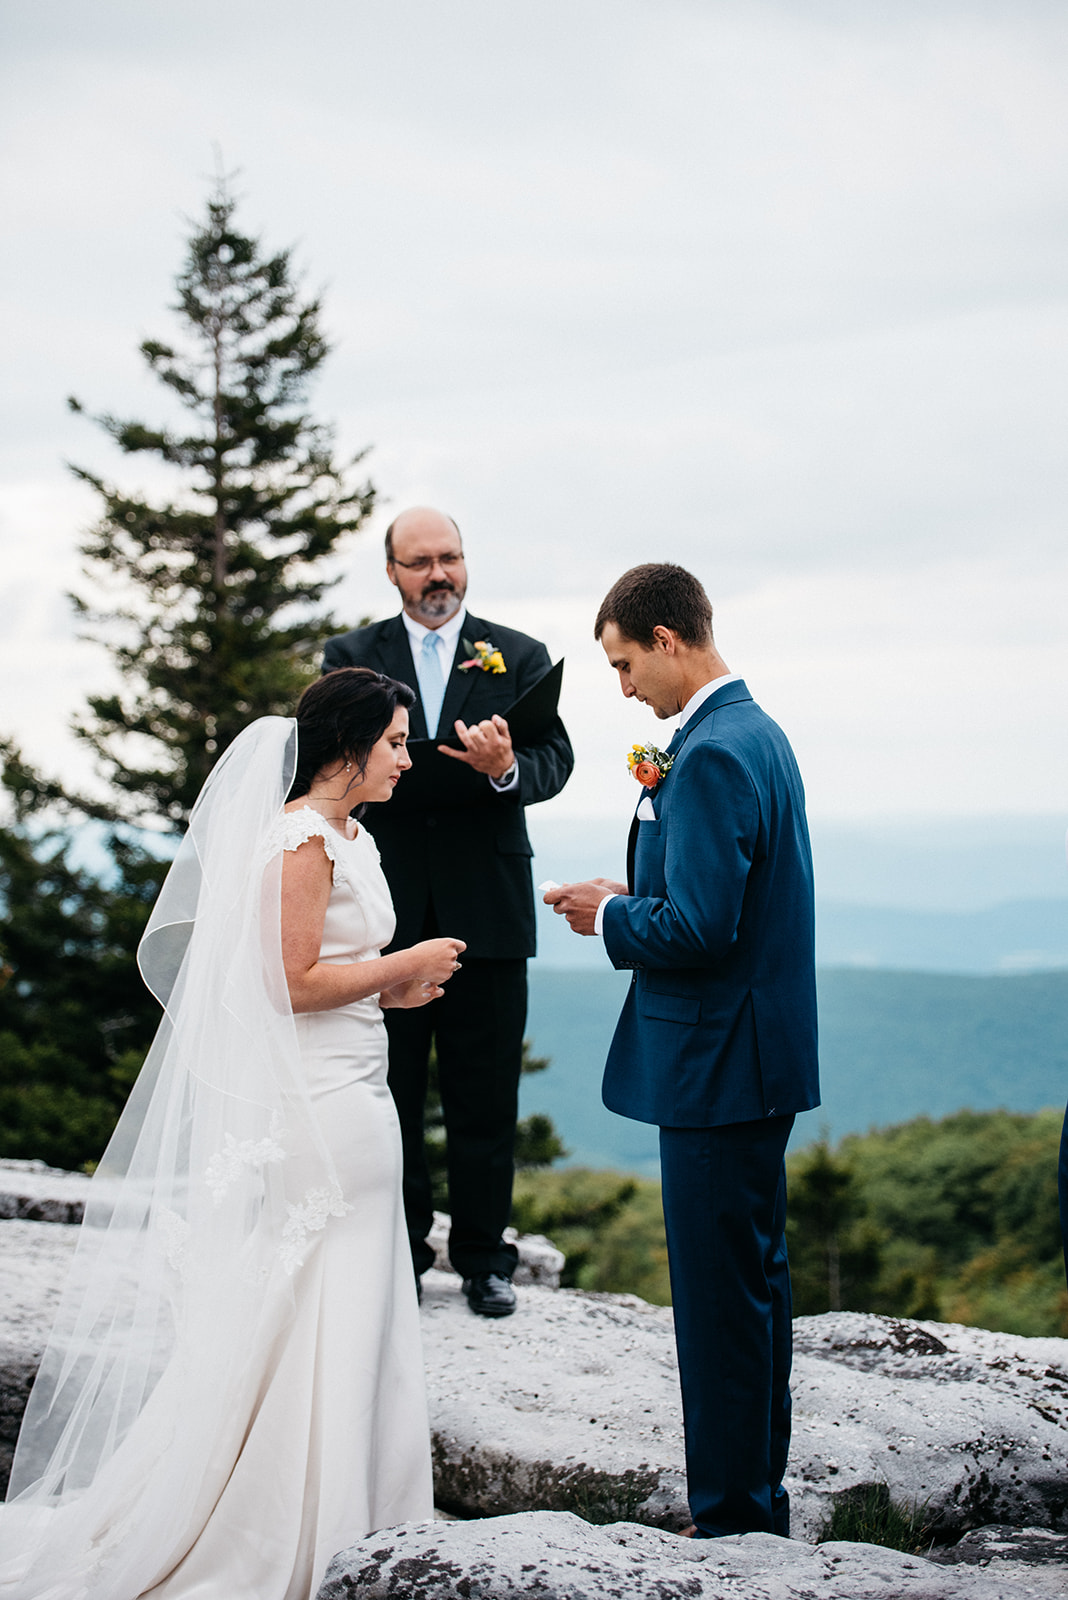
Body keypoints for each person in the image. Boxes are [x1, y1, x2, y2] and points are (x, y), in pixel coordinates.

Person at [0, 668, 464, 1600]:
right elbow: (288, 982)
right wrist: (401, 964)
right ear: (348, 748)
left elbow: (343, 963)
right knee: (319, 1294)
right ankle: (290, 1520)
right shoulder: (299, 843)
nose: (408, 758)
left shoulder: (350, 836)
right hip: (318, 1104)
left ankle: (364, 1502)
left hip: (359, 1083)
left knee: (357, 1294)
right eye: (397, 742)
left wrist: (394, 982)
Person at [545, 563, 819, 1540]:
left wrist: (608, 914)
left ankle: (735, 1519)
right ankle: (757, 1499)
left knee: (718, 1305)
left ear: (667, 639)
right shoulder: (754, 731)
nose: (623, 688)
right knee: (753, 1289)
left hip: (717, 1068)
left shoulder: (708, 753)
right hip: (754, 1060)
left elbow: (702, 927)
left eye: (623, 665)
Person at [322, 507, 573, 1317]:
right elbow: (327, 760)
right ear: (391, 572)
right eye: (421, 561)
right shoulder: (351, 658)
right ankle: (394, 1249)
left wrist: (505, 771)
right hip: (382, 912)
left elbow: (555, 758)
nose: (440, 574)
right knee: (384, 1087)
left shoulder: (520, 655)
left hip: (487, 911)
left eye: (451, 558)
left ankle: (484, 1258)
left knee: (484, 1091)